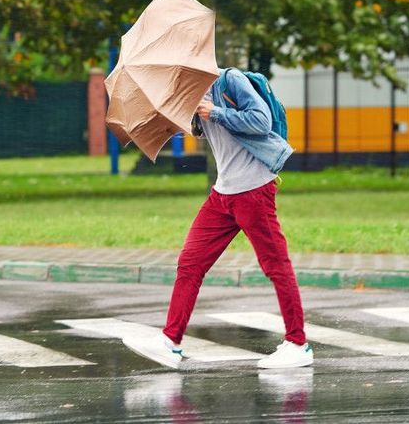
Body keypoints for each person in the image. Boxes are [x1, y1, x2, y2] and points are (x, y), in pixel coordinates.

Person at [125, 68, 312, 369]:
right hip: (223, 195)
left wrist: (216, 112)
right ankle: (170, 342)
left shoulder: (230, 81)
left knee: (275, 265)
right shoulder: (191, 93)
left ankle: (298, 344)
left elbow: (261, 121)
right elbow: (202, 131)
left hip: (253, 190)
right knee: (190, 263)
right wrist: (180, 118)